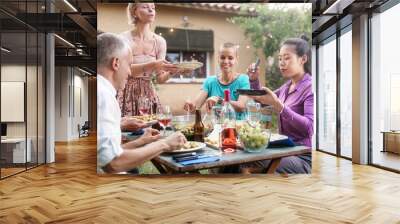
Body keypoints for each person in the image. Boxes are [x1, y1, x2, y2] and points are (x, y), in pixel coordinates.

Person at [97, 33, 186, 174]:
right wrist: (164, 144)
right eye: (129, 64)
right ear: (116, 63)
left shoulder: (101, 91)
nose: (129, 71)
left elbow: (103, 156)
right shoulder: (104, 96)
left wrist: (141, 142)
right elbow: (113, 163)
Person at [244, 35, 313, 174]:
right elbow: (262, 100)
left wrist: (279, 107)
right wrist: (254, 80)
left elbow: (309, 128)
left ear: (303, 59)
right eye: (280, 58)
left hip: (303, 155)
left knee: (251, 160)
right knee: (244, 155)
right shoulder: (286, 87)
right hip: (285, 148)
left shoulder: (310, 88)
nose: (281, 63)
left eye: (287, 58)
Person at [117, 2, 186, 117]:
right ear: (134, 11)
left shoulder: (160, 42)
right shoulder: (122, 39)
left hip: (148, 94)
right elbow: (123, 70)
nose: (151, 10)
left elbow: (160, 79)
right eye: (145, 7)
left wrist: (173, 71)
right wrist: (153, 64)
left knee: (151, 130)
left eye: (153, 8)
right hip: (126, 94)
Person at [184, 42, 250, 120]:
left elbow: (241, 106)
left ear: (236, 59)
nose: (226, 61)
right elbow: (195, 108)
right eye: (222, 57)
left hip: (239, 128)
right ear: (218, 59)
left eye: (230, 58)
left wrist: (219, 101)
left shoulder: (243, 79)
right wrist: (190, 106)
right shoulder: (210, 81)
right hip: (217, 129)